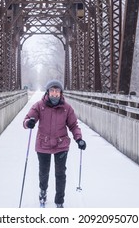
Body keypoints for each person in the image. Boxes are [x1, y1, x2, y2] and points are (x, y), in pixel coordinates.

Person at [23, 80, 86, 208]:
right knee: (44, 172)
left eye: (57, 91)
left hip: (61, 145)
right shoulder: (39, 105)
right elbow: (26, 120)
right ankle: (43, 191)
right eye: (52, 91)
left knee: (60, 173)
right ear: (48, 92)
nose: (55, 94)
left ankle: (59, 200)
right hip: (43, 144)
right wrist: (29, 123)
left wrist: (79, 139)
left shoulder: (67, 108)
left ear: (61, 93)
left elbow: (73, 125)